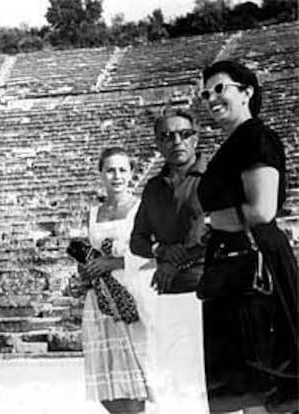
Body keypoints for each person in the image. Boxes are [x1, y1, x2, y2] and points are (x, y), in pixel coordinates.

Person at [197, 60, 299, 413]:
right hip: (232, 269)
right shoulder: (233, 144)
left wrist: (208, 221)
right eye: (205, 93)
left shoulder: (256, 137)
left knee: (267, 384)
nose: (210, 98)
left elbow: (261, 210)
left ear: (247, 92)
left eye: (220, 88)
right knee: (245, 389)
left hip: (255, 269)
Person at [130, 107, 209, 414]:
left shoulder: (214, 178)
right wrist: (161, 252)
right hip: (168, 293)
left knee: (209, 379)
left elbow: (220, 230)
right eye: (167, 136)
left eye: (184, 134)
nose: (176, 141)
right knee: (175, 382)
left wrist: (177, 260)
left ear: (196, 137)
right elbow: (138, 240)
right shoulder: (152, 187)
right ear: (158, 144)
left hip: (207, 289)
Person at [77, 147, 154, 414]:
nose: (117, 176)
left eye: (122, 170)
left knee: (135, 380)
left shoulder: (142, 209)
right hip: (99, 300)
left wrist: (117, 262)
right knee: (107, 382)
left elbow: (157, 256)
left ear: (132, 173)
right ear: (101, 174)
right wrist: (85, 270)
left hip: (132, 295)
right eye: (110, 170)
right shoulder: (93, 213)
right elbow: (87, 252)